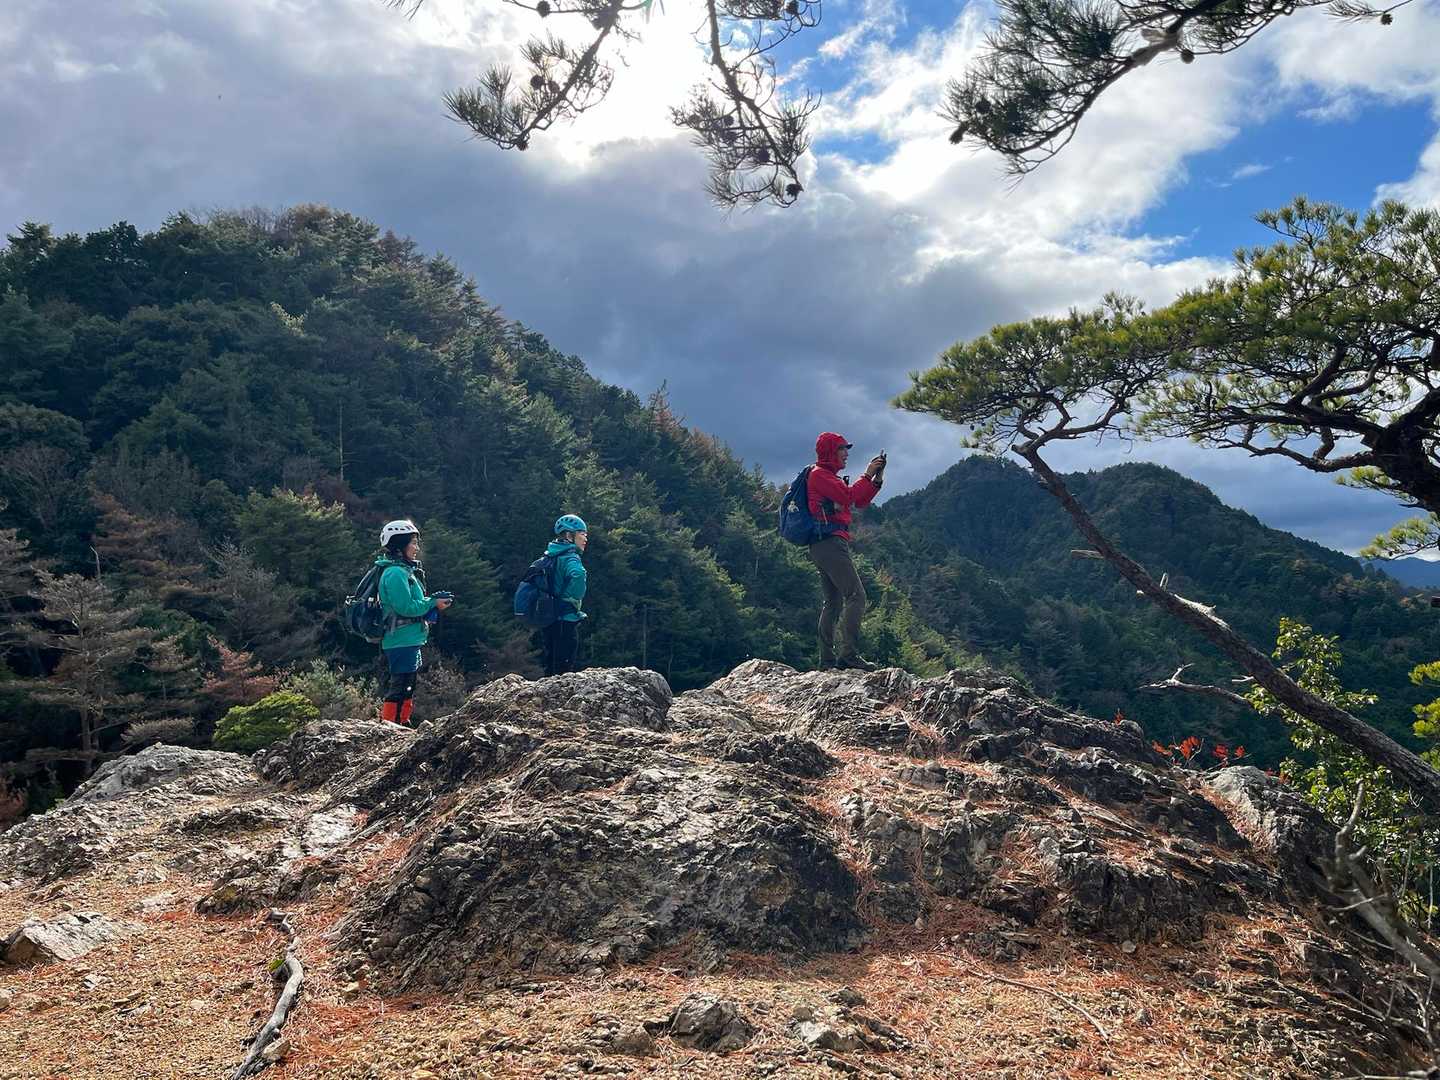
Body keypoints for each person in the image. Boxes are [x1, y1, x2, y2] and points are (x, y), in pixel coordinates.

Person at [807, 432, 885, 671]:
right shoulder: (820, 475)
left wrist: (877, 479)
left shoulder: (828, 477)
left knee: (833, 602)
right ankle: (848, 656)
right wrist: (867, 474)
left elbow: (859, 501)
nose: (846, 454)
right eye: (842, 449)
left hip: (823, 543)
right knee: (856, 596)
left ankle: (826, 661)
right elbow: (849, 496)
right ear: (830, 451)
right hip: (830, 543)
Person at [375, 519, 453, 725]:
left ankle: (402, 721)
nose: (417, 548)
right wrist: (432, 602)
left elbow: (411, 605)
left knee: (408, 682)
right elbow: (406, 607)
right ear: (399, 545)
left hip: (408, 637)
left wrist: (432, 603)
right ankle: (391, 725)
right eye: (413, 543)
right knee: (401, 683)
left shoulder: (402, 571)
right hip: (401, 638)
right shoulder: (395, 573)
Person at [543, 514, 589, 677]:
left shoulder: (552, 554)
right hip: (566, 618)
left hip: (549, 617)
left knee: (551, 663)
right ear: (569, 535)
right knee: (564, 667)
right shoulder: (570, 557)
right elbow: (578, 574)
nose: (585, 539)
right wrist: (573, 599)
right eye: (582, 534)